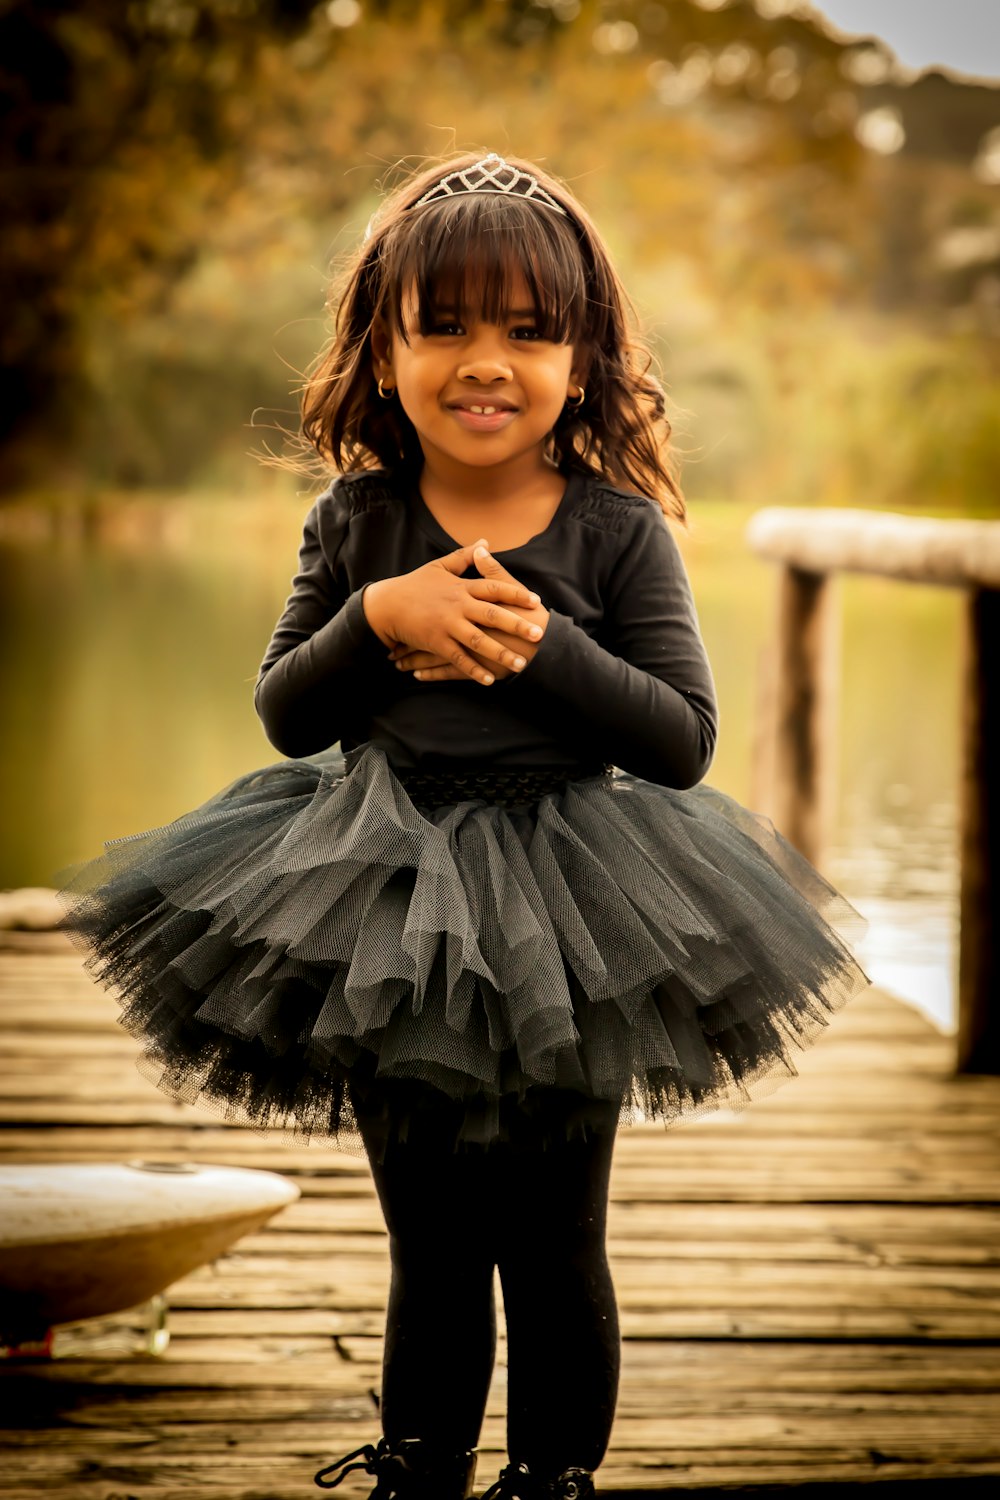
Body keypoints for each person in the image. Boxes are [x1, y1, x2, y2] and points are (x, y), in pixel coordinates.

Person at [58, 152, 869, 1500]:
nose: (483, 361)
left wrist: (542, 645)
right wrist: (378, 620)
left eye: (527, 331)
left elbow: (678, 741)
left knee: (555, 1238)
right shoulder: (358, 521)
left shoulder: (619, 535)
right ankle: (422, 1459)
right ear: (382, 353)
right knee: (430, 1239)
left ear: (584, 359)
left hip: (578, 916)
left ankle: (553, 1476)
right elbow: (287, 717)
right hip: (381, 903)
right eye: (444, 326)